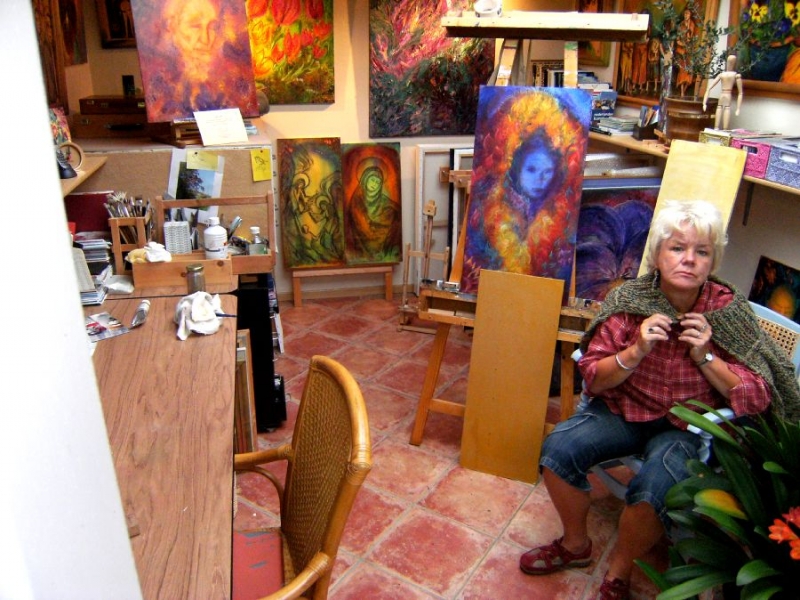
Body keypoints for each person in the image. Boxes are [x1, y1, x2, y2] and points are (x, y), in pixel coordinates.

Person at [519, 200, 800, 600]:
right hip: (624, 410)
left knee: (655, 488)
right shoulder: (630, 301)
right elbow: (593, 377)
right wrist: (634, 352)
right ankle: (575, 545)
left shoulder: (727, 310)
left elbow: (756, 397)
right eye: (677, 248)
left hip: (686, 426)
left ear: (713, 260)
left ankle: (619, 572)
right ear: (658, 254)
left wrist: (706, 356)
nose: (689, 260)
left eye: (702, 252)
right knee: (557, 450)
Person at [344, 156, 402, 262]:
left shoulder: (388, 206)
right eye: (372, 180)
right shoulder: (355, 203)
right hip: (358, 254)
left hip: (382, 254)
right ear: (365, 180)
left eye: (377, 182)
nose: (374, 184)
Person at [703, 55, 743, 130]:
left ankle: (724, 129)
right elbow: (709, 88)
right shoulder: (723, 75)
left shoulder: (735, 75)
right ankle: (717, 128)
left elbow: (740, 93)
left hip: (726, 94)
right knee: (721, 108)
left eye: (731, 62)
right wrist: (704, 103)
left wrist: (738, 108)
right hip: (724, 94)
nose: (730, 64)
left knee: (724, 108)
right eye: (729, 62)